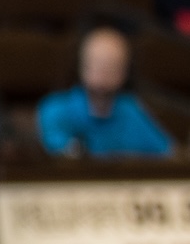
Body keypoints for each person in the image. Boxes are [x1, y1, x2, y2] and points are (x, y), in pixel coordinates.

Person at [37, 27, 175, 158]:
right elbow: (58, 152)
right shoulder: (56, 109)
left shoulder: (129, 108)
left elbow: (168, 153)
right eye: (97, 64)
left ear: (125, 71)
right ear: (82, 65)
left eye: (112, 66)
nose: (104, 73)